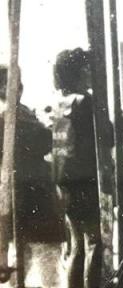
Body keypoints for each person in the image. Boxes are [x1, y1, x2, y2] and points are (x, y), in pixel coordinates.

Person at [0, 64, 65, 288]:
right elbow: (43, 139)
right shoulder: (17, 117)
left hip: (19, 193)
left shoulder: (20, 114)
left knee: (23, 254)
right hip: (32, 192)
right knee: (44, 254)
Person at [50, 48, 103, 288]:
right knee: (95, 243)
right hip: (87, 181)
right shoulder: (86, 102)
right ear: (82, 71)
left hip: (65, 182)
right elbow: (104, 136)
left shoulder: (59, 104)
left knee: (77, 246)